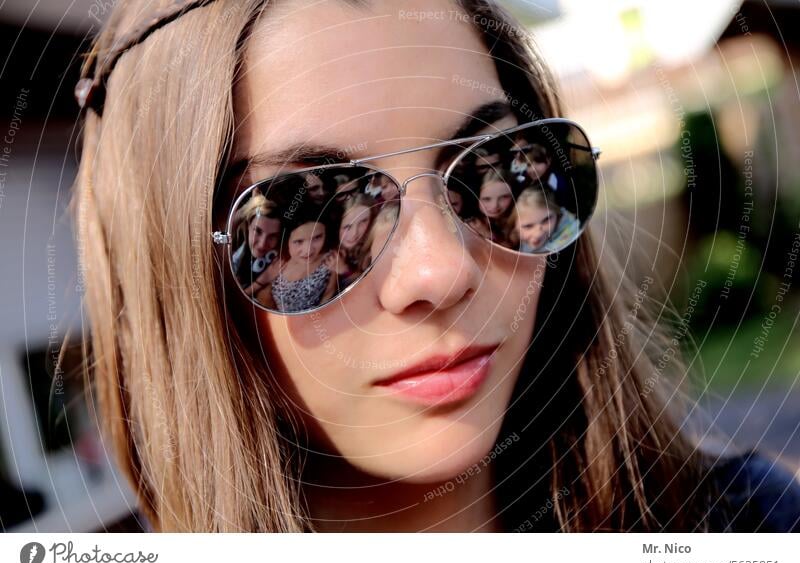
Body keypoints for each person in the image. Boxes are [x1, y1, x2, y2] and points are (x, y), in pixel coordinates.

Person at [73, 0, 800, 533]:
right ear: (170, 275)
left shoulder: (748, 528)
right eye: (310, 214)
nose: (442, 270)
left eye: (494, 167)